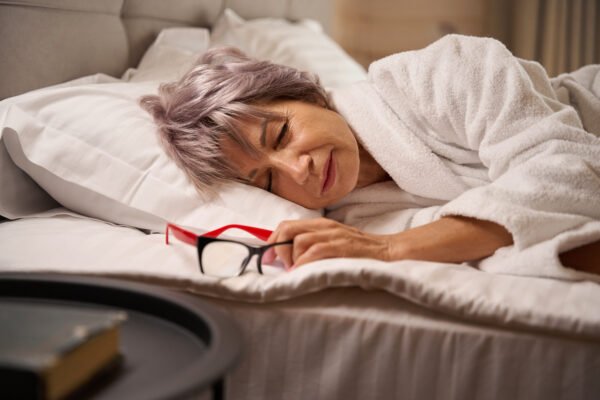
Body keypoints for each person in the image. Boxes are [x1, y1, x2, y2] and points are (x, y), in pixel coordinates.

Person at [140, 34, 600, 278]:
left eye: (280, 134)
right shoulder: (348, 218)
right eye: (266, 181)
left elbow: (566, 171)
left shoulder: (446, 70)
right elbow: (491, 251)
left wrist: (389, 250)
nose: (298, 170)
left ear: (308, 95)